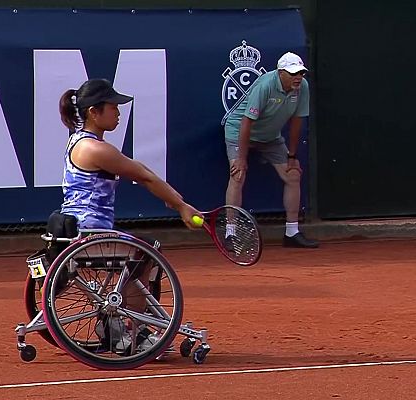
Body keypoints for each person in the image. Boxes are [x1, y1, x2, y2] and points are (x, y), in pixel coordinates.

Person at [57, 78, 200, 353]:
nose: (119, 113)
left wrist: (175, 202)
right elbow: (144, 175)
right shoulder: (94, 148)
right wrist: (181, 206)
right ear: (93, 112)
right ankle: (136, 329)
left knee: (141, 248)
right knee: (147, 250)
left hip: (80, 229)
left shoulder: (79, 142)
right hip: (91, 234)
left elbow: (142, 172)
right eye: (113, 107)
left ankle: (114, 325)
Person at [223, 52, 319, 248]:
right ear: (280, 73)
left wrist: (292, 156)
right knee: (238, 174)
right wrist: (241, 158)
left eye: (301, 73)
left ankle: (292, 233)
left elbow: (297, 121)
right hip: (239, 132)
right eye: (293, 73)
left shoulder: (303, 88)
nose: (298, 77)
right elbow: (246, 122)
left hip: (271, 138)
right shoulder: (265, 85)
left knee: (293, 175)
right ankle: (230, 233)